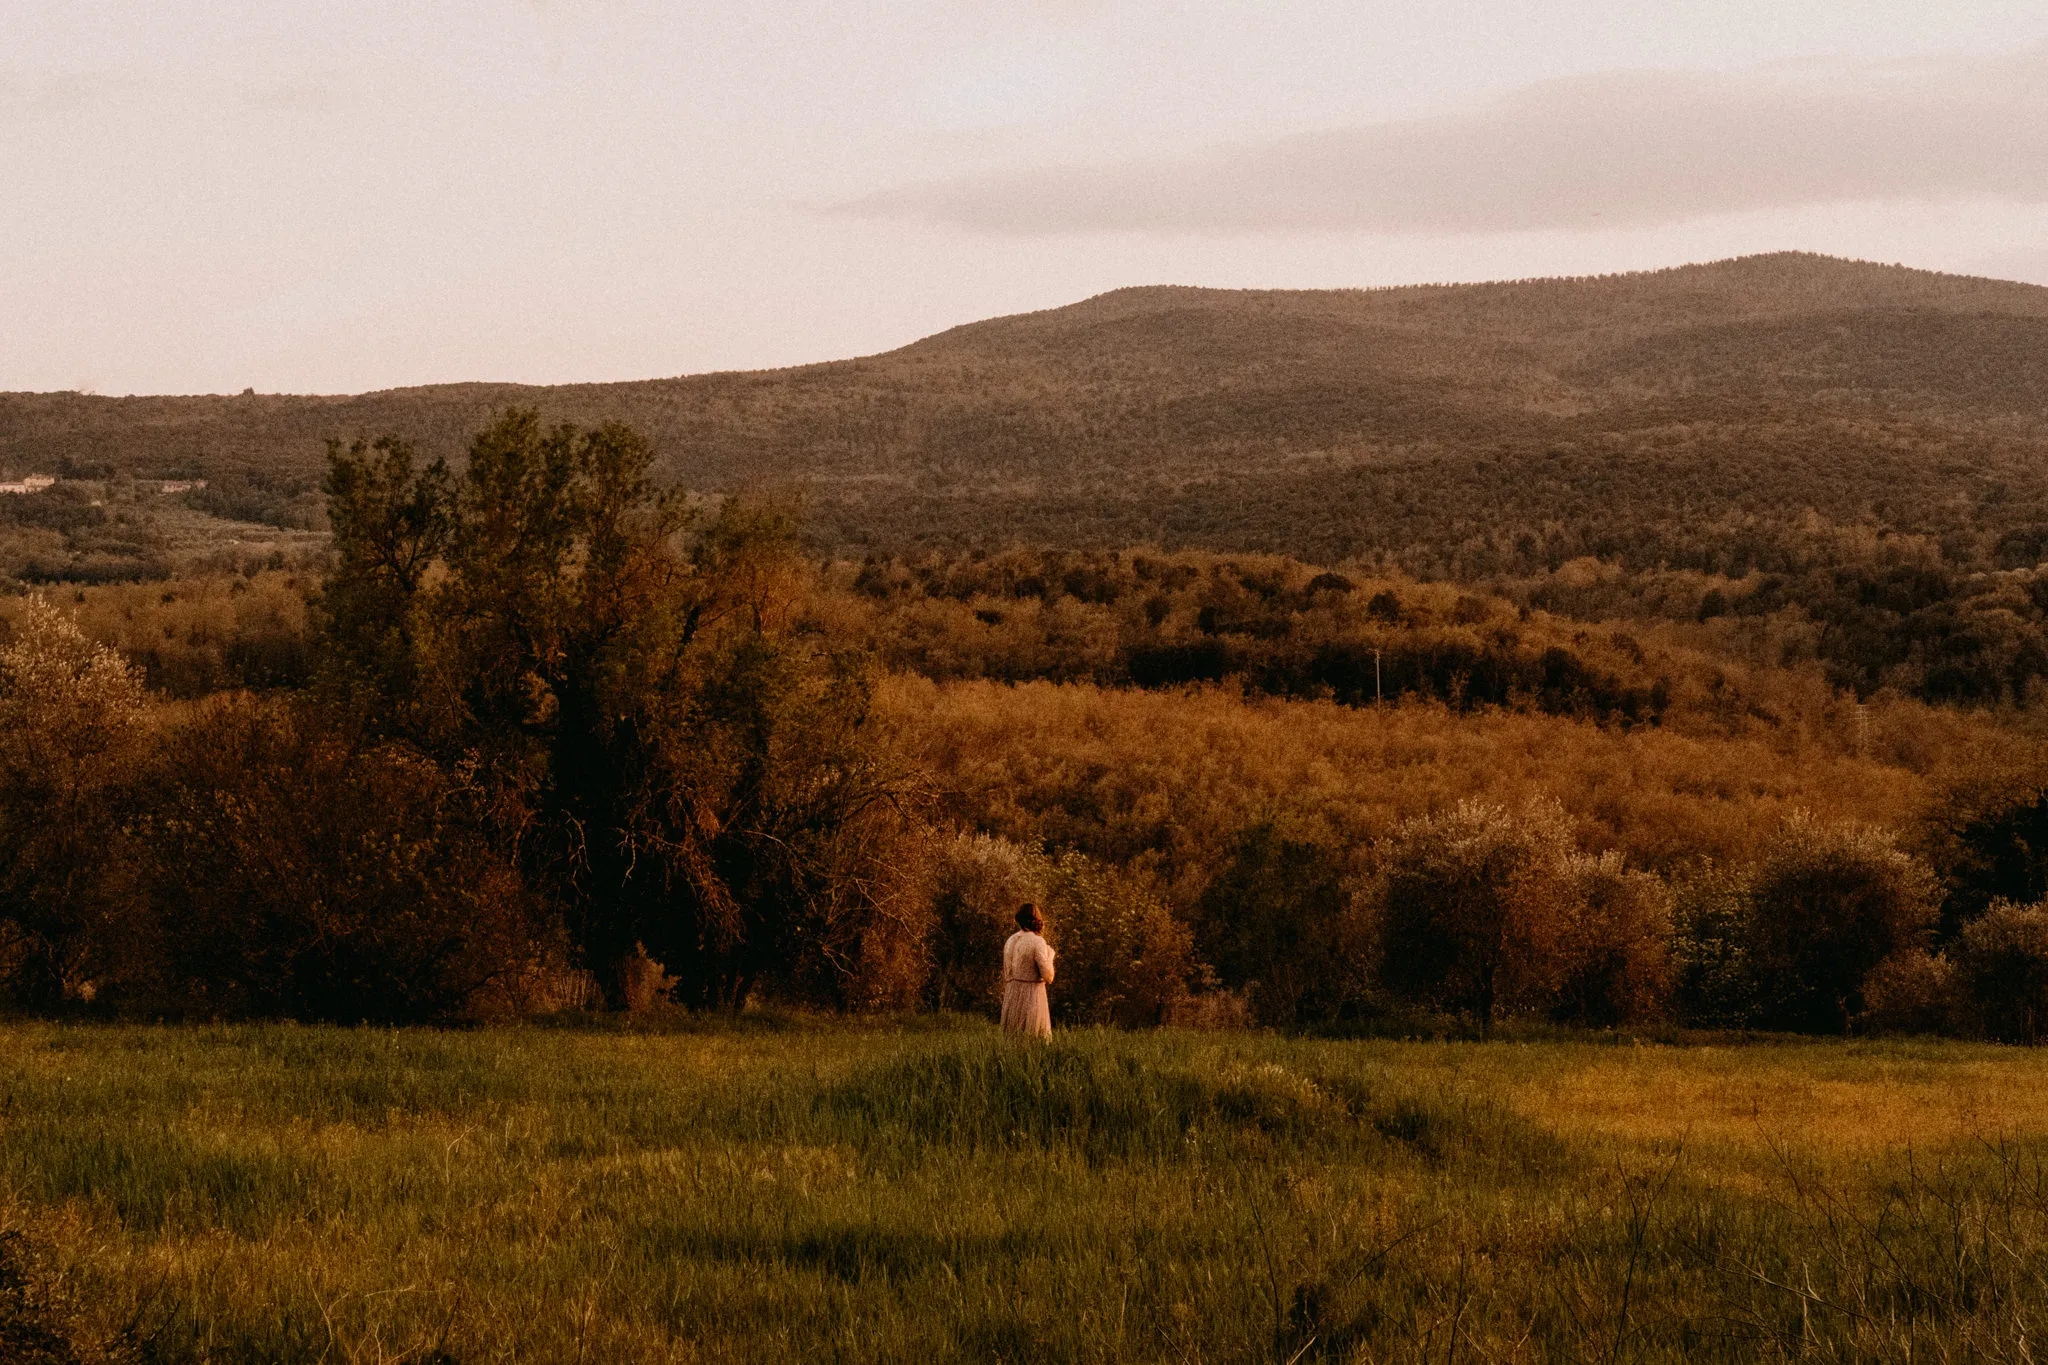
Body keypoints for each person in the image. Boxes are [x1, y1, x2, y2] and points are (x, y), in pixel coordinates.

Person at [1001, 902, 1056, 1037]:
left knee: (1012, 1039)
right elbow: (1048, 976)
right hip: (1032, 995)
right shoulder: (1037, 942)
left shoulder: (1010, 940)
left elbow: (1007, 972)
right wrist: (1050, 955)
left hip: (1012, 994)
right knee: (1034, 1038)